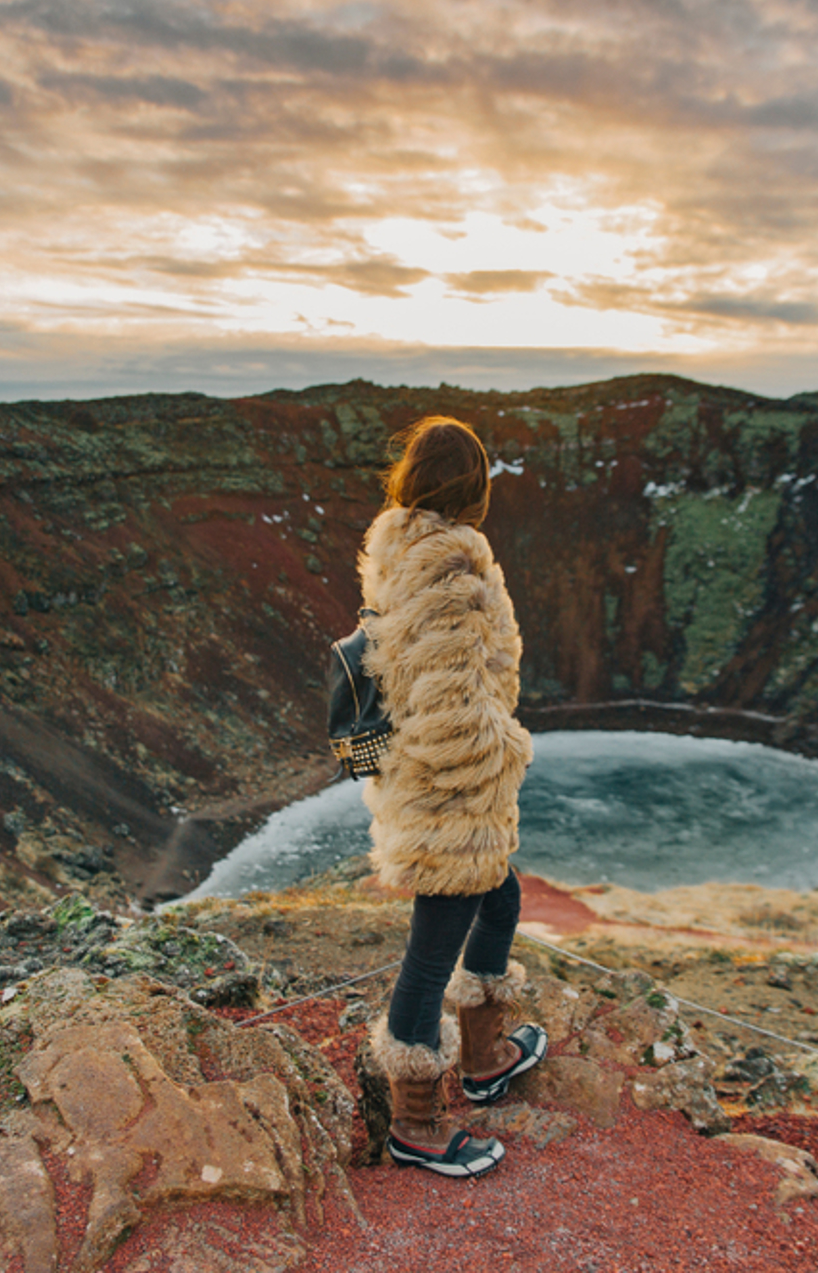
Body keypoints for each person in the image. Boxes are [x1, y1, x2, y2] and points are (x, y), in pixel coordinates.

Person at [359, 416, 547, 1179]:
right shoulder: (452, 570)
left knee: (500, 903)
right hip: (455, 798)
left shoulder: (402, 553)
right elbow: (451, 710)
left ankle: (483, 1059)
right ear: (473, 489)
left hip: (429, 785)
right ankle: (417, 1125)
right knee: (431, 954)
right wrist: (504, 752)